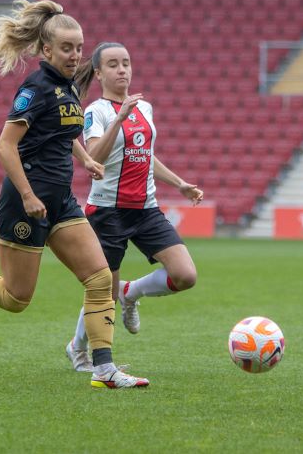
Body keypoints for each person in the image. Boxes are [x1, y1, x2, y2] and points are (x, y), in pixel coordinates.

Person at [0, 0, 149, 389]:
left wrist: (85, 158)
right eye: (67, 48)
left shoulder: (68, 86)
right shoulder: (34, 89)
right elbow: (5, 146)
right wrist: (28, 195)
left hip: (60, 202)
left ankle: (104, 369)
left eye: (79, 47)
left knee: (100, 277)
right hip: (26, 204)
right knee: (16, 298)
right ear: (46, 50)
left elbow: (63, 131)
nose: (75, 55)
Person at [64, 42, 203, 372]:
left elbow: (143, 155)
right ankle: (78, 349)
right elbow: (93, 159)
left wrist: (180, 183)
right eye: (113, 64)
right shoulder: (95, 112)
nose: (122, 69)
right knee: (103, 295)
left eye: (126, 63)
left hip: (146, 208)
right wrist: (120, 117)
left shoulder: (146, 108)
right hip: (108, 211)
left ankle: (132, 292)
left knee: (185, 275)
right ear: (99, 73)